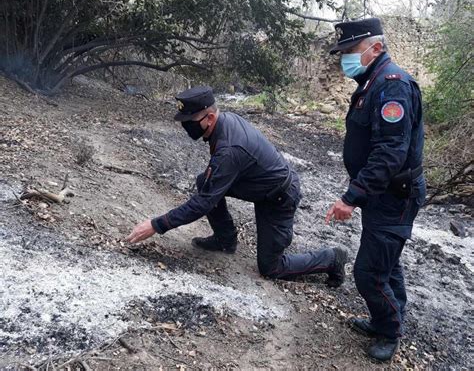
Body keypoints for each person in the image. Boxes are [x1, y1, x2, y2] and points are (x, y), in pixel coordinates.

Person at [126, 85, 348, 285]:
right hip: (258, 185)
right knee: (206, 181)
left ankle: (331, 258)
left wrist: (157, 225)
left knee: (271, 267)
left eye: (189, 121)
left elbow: (203, 203)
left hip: (279, 197)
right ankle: (225, 240)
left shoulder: (229, 149)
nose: (185, 126)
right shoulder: (225, 121)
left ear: (210, 118)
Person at [325, 18, 426, 362]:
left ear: (376, 48)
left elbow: (390, 152)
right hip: (381, 194)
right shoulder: (373, 81)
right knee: (386, 263)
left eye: (350, 52)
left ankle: (389, 330)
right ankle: (387, 318)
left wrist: (351, 197)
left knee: (368, 272)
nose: (344, 60)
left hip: (393, 195)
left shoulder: (392, 85)